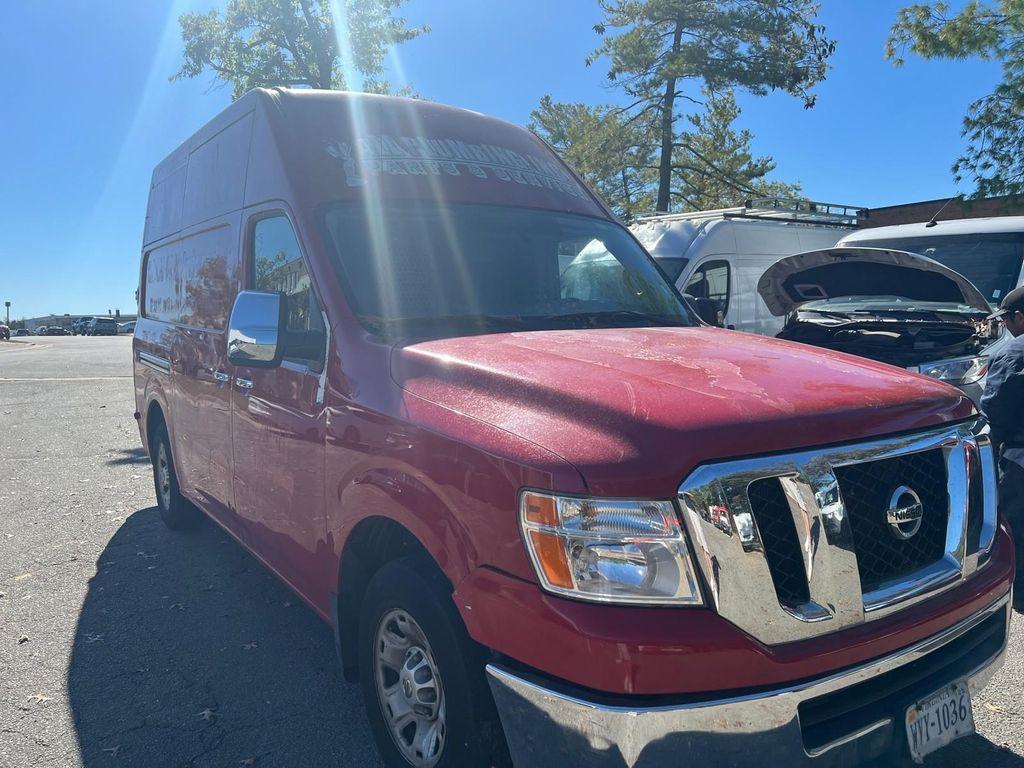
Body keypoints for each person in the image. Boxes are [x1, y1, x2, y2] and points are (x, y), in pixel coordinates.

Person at [980, 284, 1024, 591]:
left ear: (1019, 318)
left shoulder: (1012, 353)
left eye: (1006, 319)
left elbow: (996, 410)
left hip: (1020, 461)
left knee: (1016, 527)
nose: (1004, 325)